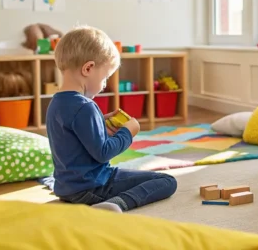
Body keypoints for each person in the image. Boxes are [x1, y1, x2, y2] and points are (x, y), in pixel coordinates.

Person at [47, 26, 177, 213]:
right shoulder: (85, 106)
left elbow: (72, 143)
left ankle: (111, 201)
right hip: (93, 186)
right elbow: (103, 153)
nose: (105, 84)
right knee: (166, 181)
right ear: (88, 68)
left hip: (67, 189)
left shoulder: (56, 103)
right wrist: (128, 132)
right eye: (105, 77)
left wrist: (99, 124)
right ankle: (118, 203)